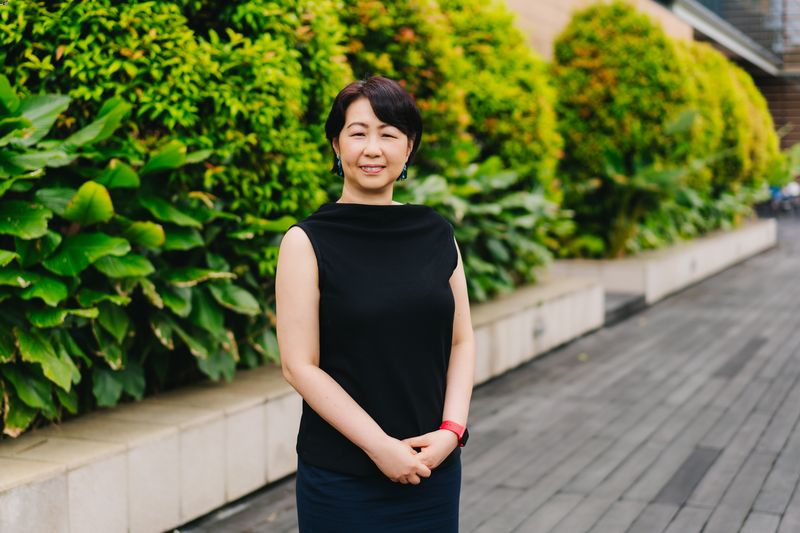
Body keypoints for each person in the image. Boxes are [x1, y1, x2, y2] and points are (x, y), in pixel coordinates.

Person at [275, 75, 476, 532]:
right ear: (336, 145)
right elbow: (298, 366)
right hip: (342, 480)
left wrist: (452, 431)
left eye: (388, 134)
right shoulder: (306, 241)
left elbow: (461, 341)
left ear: (408, 148)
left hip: (432, 470)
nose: (372, 149)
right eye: (358, 133)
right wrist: (380, 446)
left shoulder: (436, 232)